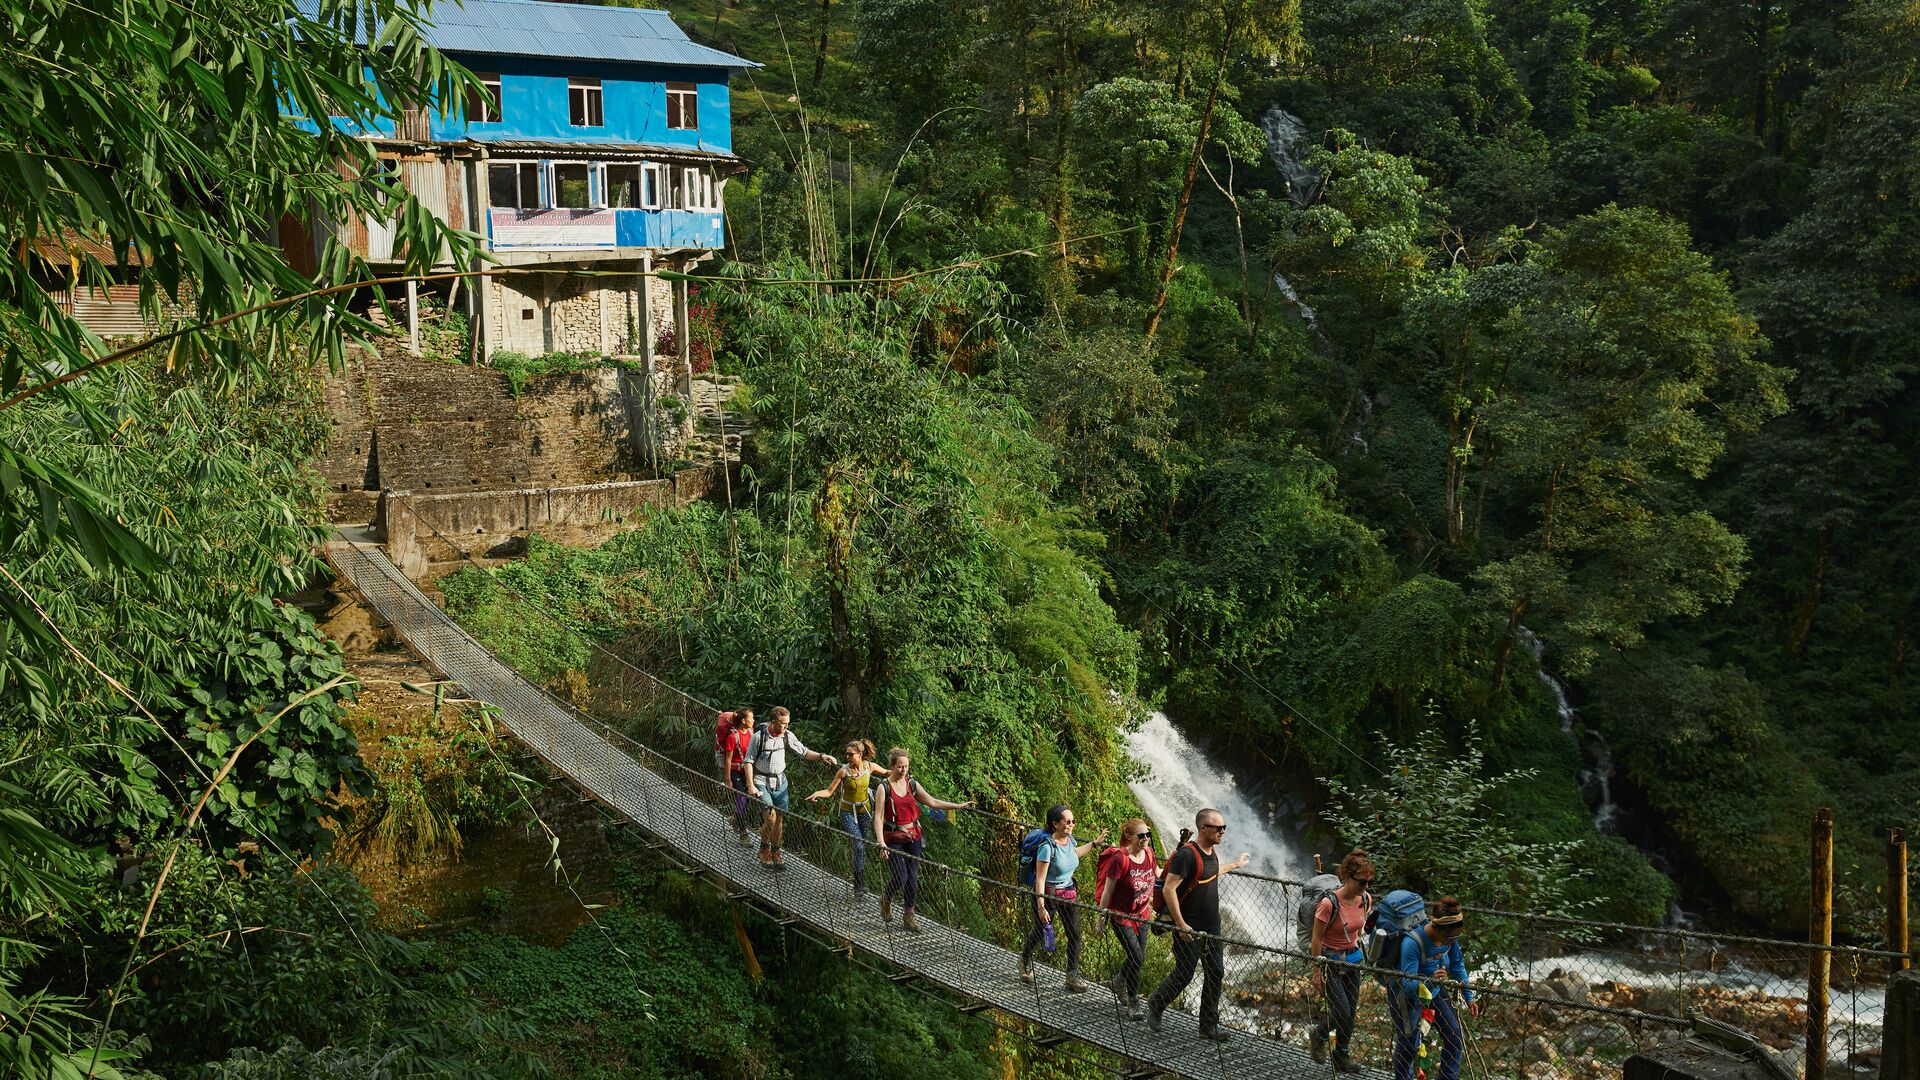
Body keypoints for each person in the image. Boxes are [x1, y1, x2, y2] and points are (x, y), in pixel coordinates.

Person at [1144, 807, 1251, 1041]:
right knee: (1185, 973)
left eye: (1224, 827)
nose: (1223, 831)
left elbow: (1209, 874)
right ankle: (1156, 1003)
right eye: (1218, 828)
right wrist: (1181, 925)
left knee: (1216, 972)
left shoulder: (1211, 852)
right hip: (1189, 925)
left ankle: (1207, 1027)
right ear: (1203, 829)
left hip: (1212, 925)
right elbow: (1171, 887)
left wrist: (1234, 864)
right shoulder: (1187, 855)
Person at [875, 747, 971, 932]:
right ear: (892, 766)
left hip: (914, 836)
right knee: (900, 877)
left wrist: (957, 806)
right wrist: (881, 843)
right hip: (893, 837)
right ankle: (886, 897)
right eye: (900, 767)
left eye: (906, 767)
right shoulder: (883, 787)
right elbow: (878, 817)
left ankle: (909, 916)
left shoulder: (912, 784)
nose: (904, 771)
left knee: (912, 877)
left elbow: (932, 802)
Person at [1018, 805, 1107, 991]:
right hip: (1048, 896)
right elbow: (1040, 880)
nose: (1071, 824)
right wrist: (1041, 907)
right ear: (1055, 824)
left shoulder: (1070, 840)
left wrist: (1094, 844)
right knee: (1041, 930)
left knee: (1074, 934)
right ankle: (1024, 959)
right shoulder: (1046, 847)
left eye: (1073, 821)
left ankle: (1072, 977)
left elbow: (1074, 854)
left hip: (1068, 893)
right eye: (1067, 821)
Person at [1390, 896, 1478, 1080]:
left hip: (1435, 992)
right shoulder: (1412, 943)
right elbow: (1407, 985)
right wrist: (1430, 981)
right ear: (1436, 928)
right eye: (1449, 938)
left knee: (1454, 1038)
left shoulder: (1450, 938)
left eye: (1455, 938)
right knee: (1408, 1045)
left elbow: (1457, 965)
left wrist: (1469, 997)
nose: (1451, 942)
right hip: (1406, 997)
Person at [741, 707, 837, 870]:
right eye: (783, 723)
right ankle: (764, 849)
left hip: (780, 783)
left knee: (779, 818)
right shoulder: (759, 737)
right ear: (773, 722)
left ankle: (776, 851)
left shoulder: (787, 735)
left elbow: (804, 752)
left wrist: (822, 756)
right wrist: (750, 784)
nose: (786, 726)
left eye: (787, 723)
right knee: (770, 817)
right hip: (761, 781)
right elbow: (748, 761)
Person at [1309, 850, 1375, 1072]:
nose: (1366, 886)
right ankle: (1318, 1035)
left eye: (1369, 881)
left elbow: (1361, 928)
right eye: (1362, 881)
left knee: (1351, 1011)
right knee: (1342, 1011)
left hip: (1353, 960)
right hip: (1330, 962)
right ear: (1347, 876)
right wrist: (1316, 972)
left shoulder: (1366, 899)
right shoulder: (1329, 904)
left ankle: (1341, 1056)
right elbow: (1316, 939)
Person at [807, 738, 887, 896]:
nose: (848, 757)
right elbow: (830, 791)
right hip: (847, 812)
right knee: (858, 845)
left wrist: (902, 773)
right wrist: (818, 793)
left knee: (862, 846)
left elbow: (886, 773)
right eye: (847, 755)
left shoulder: (869, 767)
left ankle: (860, 881)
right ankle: (858, 884)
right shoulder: (843, 771)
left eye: (851, 755)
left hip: (865, 810)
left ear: (860, 754)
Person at [1095, 817, 1158, 1018]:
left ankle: (1119, 981)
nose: (1146, 838)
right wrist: (1100, 918)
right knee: (1137, 956)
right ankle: (1133, 1003)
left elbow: (1159, 874)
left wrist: (1182, 871)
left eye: (1148, 834)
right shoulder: (1119, 859)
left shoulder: (1149, 853)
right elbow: (1107, 891)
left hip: (1143, 914)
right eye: (1141, 835)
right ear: (1129, 836)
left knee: (1138, 958)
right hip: (1121, 915)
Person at [714, 708, 755, 846]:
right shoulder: (733, 736)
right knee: (741, 799)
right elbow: (728, 760)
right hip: (734, 771)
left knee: (749, 797)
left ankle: (735, 818)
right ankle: (743, 833)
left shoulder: (750, 732)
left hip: (746, 770)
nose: (754, 720)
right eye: (752, 718)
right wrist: (728, 780)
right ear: (743, 721)